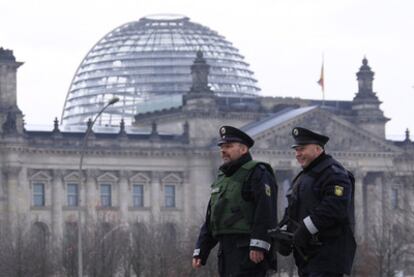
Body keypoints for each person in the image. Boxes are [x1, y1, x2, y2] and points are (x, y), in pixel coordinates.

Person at [192, 125, 278, 277]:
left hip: (249, 250)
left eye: (228, 146)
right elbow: (212, 217)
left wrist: (258, 244)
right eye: (222, 147)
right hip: (226, 251)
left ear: (243, 149)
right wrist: (201, 250)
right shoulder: (223, 178)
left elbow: (265, 211)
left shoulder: (258, 173)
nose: (223, 150)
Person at [277, 127, 356, 277]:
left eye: (302, 149)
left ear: (318, 149)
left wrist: (305, 229)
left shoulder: (334, 172)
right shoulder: (303, 176)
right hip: (307, 255)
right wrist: (284, 232)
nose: (298, 154)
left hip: (328, 254)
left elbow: (334, 208)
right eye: (296, 150)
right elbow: (292, 210)